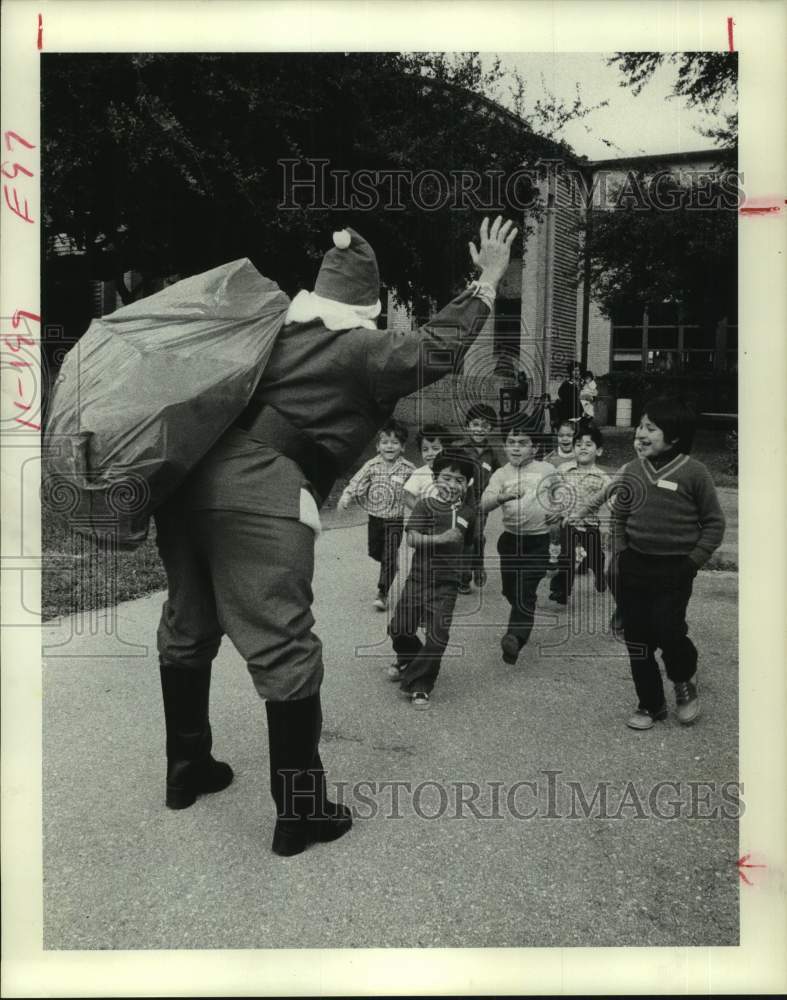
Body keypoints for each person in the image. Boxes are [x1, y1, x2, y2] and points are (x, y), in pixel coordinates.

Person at [153, 215, 518, 856]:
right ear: (367, 310)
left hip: (188, 486)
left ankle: (187, 771)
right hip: (261, 496)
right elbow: (437, 347)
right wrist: (487, 280)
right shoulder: (356, 348)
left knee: (187, 625)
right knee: (286, 650)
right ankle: (300, 815)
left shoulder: (271, 335)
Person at [609, 397, 725, 731]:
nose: (641, 433)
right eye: (640, 426)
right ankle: (650, 703)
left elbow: (714, 523)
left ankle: (684, 680)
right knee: (637, 637)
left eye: (651, 428)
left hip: (676, 567)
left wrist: (692, 561)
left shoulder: (695, 473)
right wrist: (621, 553)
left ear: (674, 437)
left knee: (668, 629)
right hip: (635, 564)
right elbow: (619, 517)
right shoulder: (632, 471)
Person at [387, 450, 476, 709]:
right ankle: (410, 658)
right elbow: (412, 538)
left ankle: (421, 684)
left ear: (466, 484)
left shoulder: (469, 513)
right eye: (446, 478)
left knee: (438, 637)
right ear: (435, 478)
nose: (452, 484)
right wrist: (440, 539)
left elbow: (469, 545)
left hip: (446, 586)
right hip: (419, 580)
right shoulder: (425, 505)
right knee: (399, 628)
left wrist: (471, 569)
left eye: (459, 480)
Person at [481, 423, 557, 665]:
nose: (515, 447)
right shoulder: (501, 474)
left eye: (522, 443)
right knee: (510, 590)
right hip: (510, 540)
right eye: (511, 443)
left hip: (538, 540)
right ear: (505, 446)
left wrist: (559, 510)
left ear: (534, 448)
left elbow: (563, 493)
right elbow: (483, 503)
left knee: (526, 591)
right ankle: (521, 616)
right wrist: (500, 497)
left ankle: (515, 637)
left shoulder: (547, 470)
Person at [338, 419, 414, 610]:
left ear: (402, 447)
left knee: (389, 555)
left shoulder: (408, 469)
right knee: (375, 552)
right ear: (378, 446)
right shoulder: (372, 465)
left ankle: (382, 592)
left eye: (395, 443)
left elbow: (417, 489)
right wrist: (347, 496)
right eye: (385, 442)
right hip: (375, 519)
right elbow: (358, 482)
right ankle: (390, 565)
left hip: (395, 520)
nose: (390, 446)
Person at [548, 425, 611, 605]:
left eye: (588, 444)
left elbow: (608, 504)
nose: (582, 447)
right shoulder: (563, 470)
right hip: (567, 523)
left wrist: (606, 526)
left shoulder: (603, 478)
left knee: (595, 557)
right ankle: (561, 590)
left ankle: (600, 576)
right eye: (578, 444)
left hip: (590, 525)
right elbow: (553, 492)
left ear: (598, 451)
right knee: (566, 556)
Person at [456, 403, 500, 592]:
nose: (480, 429)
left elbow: (499, 476)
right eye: (475, 424)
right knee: (463, 539)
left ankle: (477, 566)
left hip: (482, 506)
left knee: (476, 538)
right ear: (467, 426)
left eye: (485, 425)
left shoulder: (492, 454)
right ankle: (464, 577)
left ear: (490, 429)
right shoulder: (459, 449)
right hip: (461, 504)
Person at [403, 422, 450, 510]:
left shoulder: (454, 470)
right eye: (425, 450)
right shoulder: (420, 473)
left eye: (435, 449)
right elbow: (408, 496)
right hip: (429, 520)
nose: (430, 453)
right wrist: (420, 512)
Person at [554, 361, 583, 428]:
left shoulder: (582, 384)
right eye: (574, 370)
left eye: (578, 370)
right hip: (569, 413)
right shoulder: (566, 384)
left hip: (580, 412)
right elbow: (563, 397)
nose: (576, 372)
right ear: (570, 372)